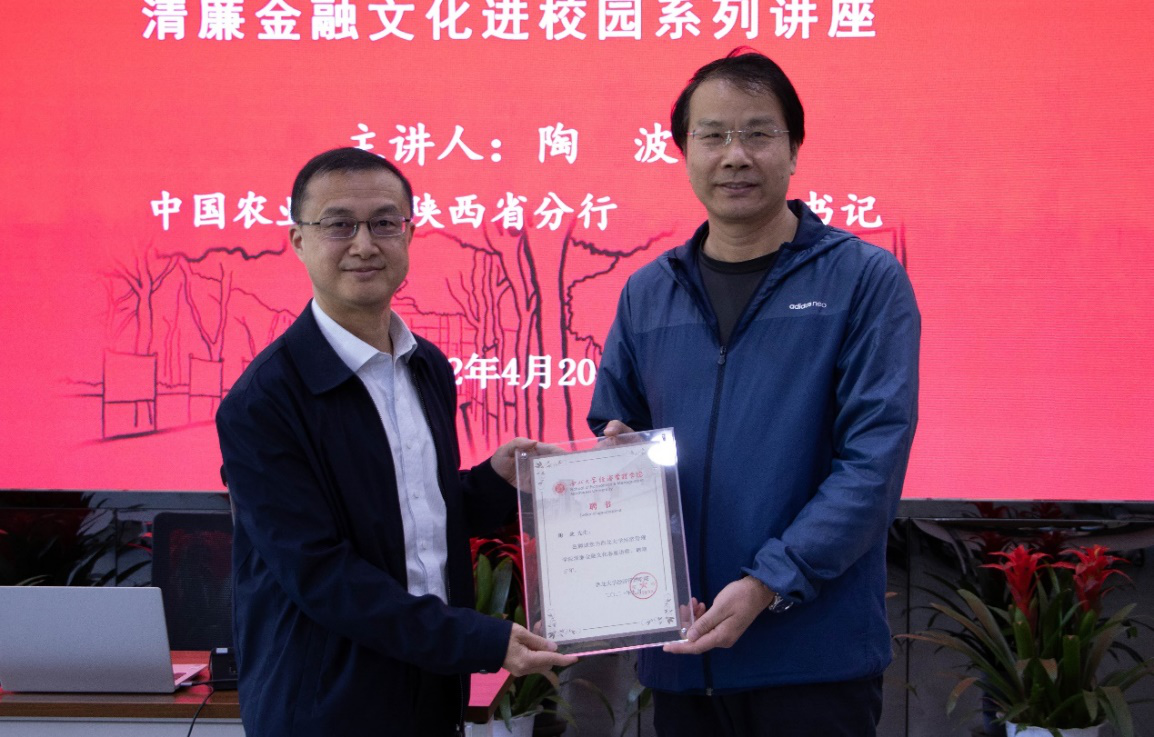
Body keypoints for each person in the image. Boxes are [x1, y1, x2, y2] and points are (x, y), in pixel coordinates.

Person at [588, 50, 920, 737]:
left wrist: (770, 581)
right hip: (683, 658)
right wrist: (613, 464)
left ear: (794, 150)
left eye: (758, 134)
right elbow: (615, 429)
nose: (734, 155)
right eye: (712, 135)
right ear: (684, 152)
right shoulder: (648, 291)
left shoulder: (863, 280)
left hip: (812, 661)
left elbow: (872, 464)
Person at [216, 147, 576, 737]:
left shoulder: (425, 365)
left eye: (384, 223)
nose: (364, 244)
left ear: (409, 234)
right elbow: (321, 573)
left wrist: (494, 483)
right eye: (339, 224)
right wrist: (480, 639)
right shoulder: (263, 403)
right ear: (298, 240)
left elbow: (403, 512)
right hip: (324, 709)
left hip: (429, 696)